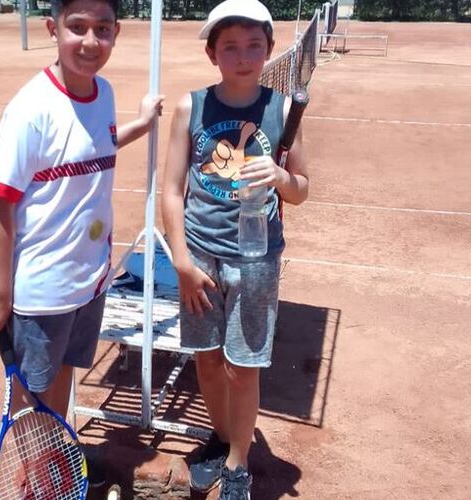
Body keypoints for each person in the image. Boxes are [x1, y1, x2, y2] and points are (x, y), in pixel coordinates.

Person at [0, 0, 163, 488]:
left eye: (102, 29)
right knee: (32, 397)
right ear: (51, 28)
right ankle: (35, 482)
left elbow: (93, 143)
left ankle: (53, 463)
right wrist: (0, 295)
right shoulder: (30, 108)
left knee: (60, 380)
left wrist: (140, 127)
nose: (89, 41)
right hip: (42, 289)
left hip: (90, 279)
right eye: (76, 27)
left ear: (116, 33)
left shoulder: (102, 92)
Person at [161, 0, 309, 498]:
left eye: (253, 46)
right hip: (200, 255)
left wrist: (282, 176)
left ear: (268, 50)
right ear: (212, 54)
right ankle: (221, 437)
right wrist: (180, 260)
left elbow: (302, 189)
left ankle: (238, 462)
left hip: (256, 259)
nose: (243, 56)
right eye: (230, 47)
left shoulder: (283, 109)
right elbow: (171, 190)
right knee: (206, 359)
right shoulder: (191, 106)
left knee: (242, 367)